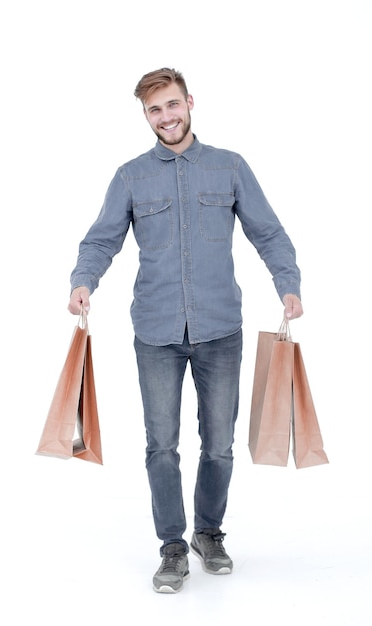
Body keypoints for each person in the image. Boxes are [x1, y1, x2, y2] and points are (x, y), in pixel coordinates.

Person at [68, 67, 303, 593]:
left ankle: (208, 533)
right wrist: (84, 281)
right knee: (162, 446)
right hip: (156, 332)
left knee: (218, 444)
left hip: (221, 328)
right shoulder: (130, 176)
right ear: (146, 116)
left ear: (190, 102)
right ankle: (172, 546)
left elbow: (269, 232)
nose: (166, 117)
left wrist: (288, 283)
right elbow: (101, 240)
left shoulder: (230, 167)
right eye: (155, 110)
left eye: (172, 105)